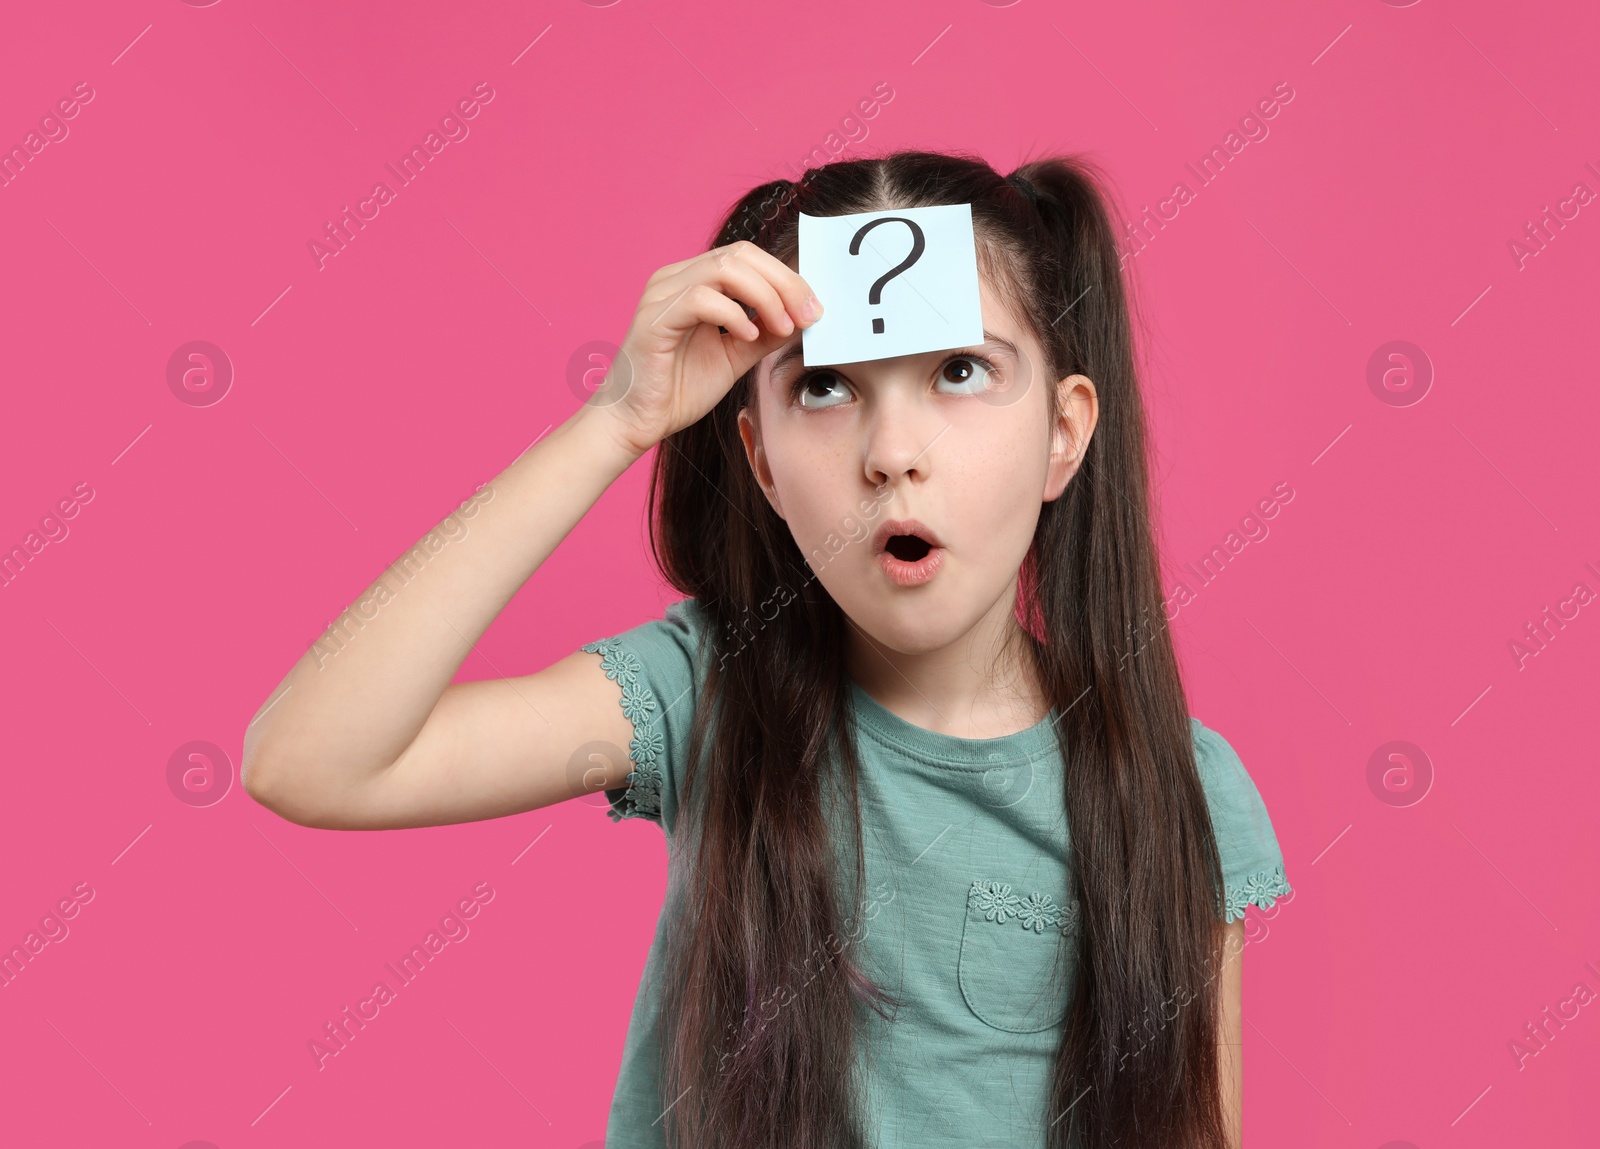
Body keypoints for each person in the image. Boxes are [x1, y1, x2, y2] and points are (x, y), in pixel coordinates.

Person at [242, 149, 1291, 1149]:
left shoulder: (1179, 793)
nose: (892, 455)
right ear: (763, 462)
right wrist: (616, 423)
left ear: (1063, 432)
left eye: (960, 371)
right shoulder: (702, 692)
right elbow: (310, 760)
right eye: (826, 389)